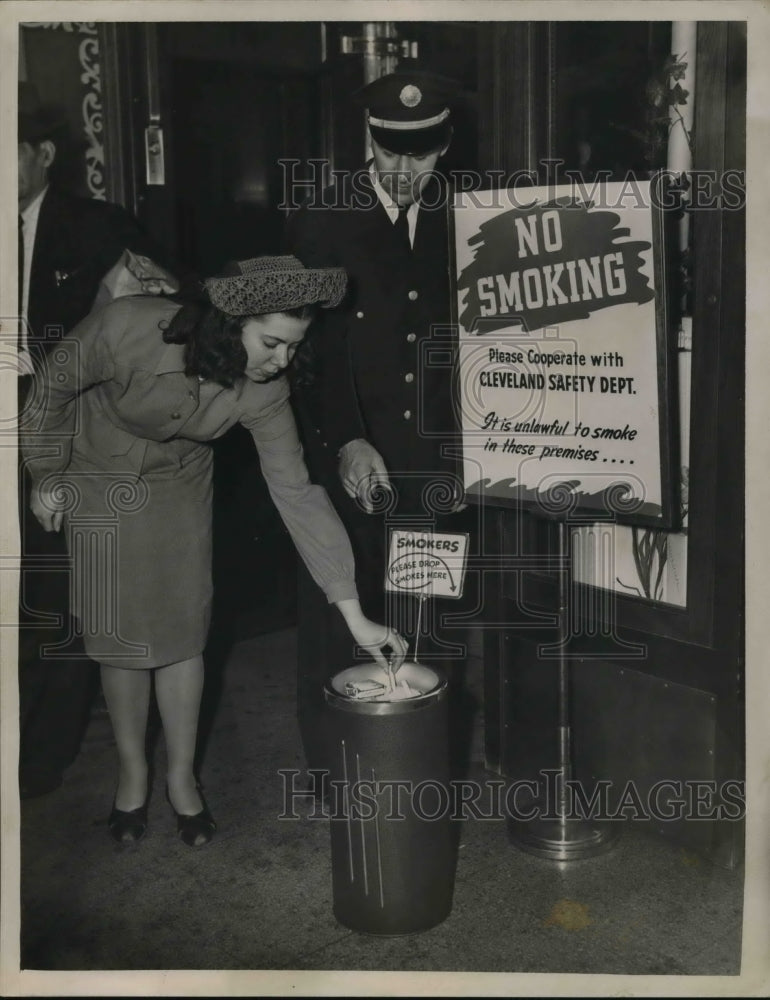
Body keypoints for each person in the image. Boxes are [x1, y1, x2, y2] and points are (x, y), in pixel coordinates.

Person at [21, 255, 407, 846]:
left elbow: (297, 494)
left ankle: (182, 779)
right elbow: (51, 384)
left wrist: (354, 614)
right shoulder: (128, 326)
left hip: (179, 480)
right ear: (231, 324)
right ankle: (132, 773)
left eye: (295, 347)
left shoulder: (265, 392)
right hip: (97, 465)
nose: (283, 362)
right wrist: (46, 471)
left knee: (182, 630)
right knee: (116, 632)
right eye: (273, 343)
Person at [285, 71, 479, 784]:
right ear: (369, 137)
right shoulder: (322, 217)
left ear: (446, 145)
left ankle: (420, 760)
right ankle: (336, 768)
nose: (403, 172)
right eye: (391, 152)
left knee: (428, 608)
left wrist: (472, 452)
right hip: (351, 449)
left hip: (435, 455)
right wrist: (344, 440)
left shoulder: (470, 215)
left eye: (421, 156)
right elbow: (308, 349)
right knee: (343, 604)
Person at [17, 81, 170, 799]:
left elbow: (163, 311)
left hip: (62, 423)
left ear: (42, 155)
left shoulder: (97, 226)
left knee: (53, 589)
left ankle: (40, 758)